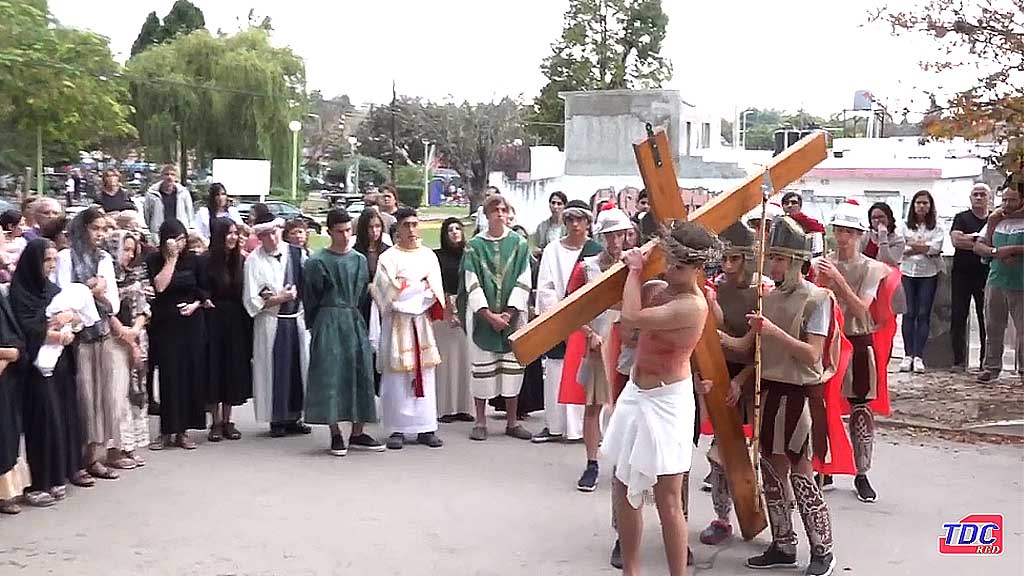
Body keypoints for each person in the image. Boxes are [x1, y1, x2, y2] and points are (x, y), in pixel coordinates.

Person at [721, 216, 840, 576]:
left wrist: (771, 331)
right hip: (770, 391)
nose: (771, 264)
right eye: (770, 257)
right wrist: (712, 330)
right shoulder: (767, 299)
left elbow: (812, 355)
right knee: (772, 472)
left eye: (778, 257)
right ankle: (783, 544)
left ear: (793, 260)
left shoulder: (818, 299)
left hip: (800, 395)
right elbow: (747, 349)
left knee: (802, 475)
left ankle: (822, 550)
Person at [600, 221, 720, 576]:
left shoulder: (693, 305)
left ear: (698, 270)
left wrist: (635, 270)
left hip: (668, 400)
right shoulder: (659, 288)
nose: (670, 269)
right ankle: (631, 571)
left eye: (680, 266)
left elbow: (632, 317)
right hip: (636, 392)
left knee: (668, 496)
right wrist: (637, 263)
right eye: (669, 261)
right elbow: (630, 306)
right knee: (622, 485)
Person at [813, 201, 889, 503]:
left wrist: (839, 281)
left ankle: (861, 472)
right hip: (828, 339)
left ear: (859, 234)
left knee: (860, 408)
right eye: (839, 230)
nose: (842, 237)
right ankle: (824, 465)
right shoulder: (822, 262)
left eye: (848, 231)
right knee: (820, 406)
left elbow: (861, 309)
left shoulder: (872, 268)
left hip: (858, 340)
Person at [697, 221, 760, 546]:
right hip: (722, 375)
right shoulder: (714, 289)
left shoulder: (761, 292)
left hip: (754, 379)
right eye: (725, 258)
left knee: (763, 456)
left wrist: (741, 379)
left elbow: (761, 349)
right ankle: (722, 518)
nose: (728, 265)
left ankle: (769, 517)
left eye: (735, 259)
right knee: (718, 455)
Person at [55, 208, 130, 478]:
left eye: (103, 229)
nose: (100, 234)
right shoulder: (66, 257)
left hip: (101, 332)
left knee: (103, 397)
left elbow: (113, 301)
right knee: (83, 398)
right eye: (94, 228)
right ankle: (77, 460)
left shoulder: (104, 259)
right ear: (83, 228)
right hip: (77, 338)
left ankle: (94, 457)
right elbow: (66, 296)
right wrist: (90, 291)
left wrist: (95, 293)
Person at [302, 208, 383, 456]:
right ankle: (335, 432)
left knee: (360, 372)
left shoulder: (358, 260)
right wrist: (317, 324)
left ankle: (358, 431)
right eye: (340, 231)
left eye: (349, 230)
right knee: (330, 374)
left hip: (352, 317)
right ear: (329, 232)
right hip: (328, 318)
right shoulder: (317, 262)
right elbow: (311, 297)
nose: (345, 236)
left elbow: (360, 294)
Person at [569, 206, 634, 492]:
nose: (615, 241)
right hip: (599, 339)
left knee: (629, 406)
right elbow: (569, 307)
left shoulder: (635, 265)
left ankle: (626, 463)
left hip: (629, 341)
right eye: (610, 235)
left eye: (620, 234)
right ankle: (592, 463)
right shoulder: (587, 267)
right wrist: (588, 333)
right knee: (594, 405)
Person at [458, 197, 533, 441]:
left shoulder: (519, 244)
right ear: (487, 215)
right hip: (483, 321)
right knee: (482, 370)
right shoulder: (474, 246)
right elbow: (471, 281)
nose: (499, 214)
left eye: (503, 210)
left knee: (511, 371)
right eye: (494, 210)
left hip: (512, 319)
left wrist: (510, 313)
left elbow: (524, 279)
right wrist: (488, 315)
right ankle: (480, 421)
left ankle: (512, 422)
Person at [370, 207, 445, 450]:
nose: (412, 230)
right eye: (406, 225)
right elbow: (386, 292)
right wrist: (415, 289)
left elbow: (434, 291)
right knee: (398, 376)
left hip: (421, 322)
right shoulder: (388, 258)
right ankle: (397, 428)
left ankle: (425, 427)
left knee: (425, 373)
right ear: (398, 230)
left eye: (415, 224)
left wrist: (409, 289)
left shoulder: (428, 256)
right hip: (397, 324)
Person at [533, 200, 602, 444]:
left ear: (587, 223)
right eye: (570, 220)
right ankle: (554, 426)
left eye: (580, 220)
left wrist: (580, 319)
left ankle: (582, 430)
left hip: (587, 322)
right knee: (555, 372)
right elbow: (545, 288)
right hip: (558, 319)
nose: (575, 225)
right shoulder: (552, 249)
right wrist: (560, 318)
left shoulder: (595, 250)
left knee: (582, 374)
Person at [243, 213, 310, 437]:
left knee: (297, 368)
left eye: (274, 232)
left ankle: (295, 415)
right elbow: (253, 297)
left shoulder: (297, 254)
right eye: (266, 235)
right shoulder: (254, 260)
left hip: (295, 319)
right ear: (260, 238)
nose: (272, 238)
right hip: (271, 321)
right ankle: (276, 417)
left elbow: (307, 282)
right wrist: (279, 299)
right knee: (274, 370)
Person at [146, 219, 208, 450]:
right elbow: (159, 286)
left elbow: (203, 289)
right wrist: (170, 259)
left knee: (188, 376)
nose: (180, 244)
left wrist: (195, 304)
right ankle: (166, 430)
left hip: (191, 322)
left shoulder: (194, 260)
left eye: (183, 239)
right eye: (176, 239)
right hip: (166, 324)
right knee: (169, 376)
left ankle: (183, 431)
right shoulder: (154, 260)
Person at [202, 218, 253, 442]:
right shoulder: (205, 261)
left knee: (232, 369)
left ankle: (228, 419)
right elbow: (200, 287)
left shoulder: (241, 261)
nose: (233, 237)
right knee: (213, 369)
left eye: (235, 233)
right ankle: (215, 421)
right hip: (213, 319)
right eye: (229, 233)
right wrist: (204, 298)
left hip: (236, 320)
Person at [106, 230, 151, 465]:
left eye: (132, 249)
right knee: (118, 396)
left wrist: (136, 329)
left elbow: (144, 308)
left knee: (136, 393)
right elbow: (107, 312)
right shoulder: (106, 278)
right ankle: (116, 449)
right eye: (125, 249)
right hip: (116, 341)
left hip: (137, 336)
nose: (129, 254)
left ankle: (131, 446)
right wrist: (127, 335)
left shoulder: (134, 276)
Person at [974, 182, 1024, 382]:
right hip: (996, 280)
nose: (1007, 204)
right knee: (993, 326)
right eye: (1004, 199)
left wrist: (1013, 250)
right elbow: (979, 245)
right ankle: (991, 367)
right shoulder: (995, 220)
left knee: (1022, 330)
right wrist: (996, 252)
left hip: (1020, 282)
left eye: (1012, 200)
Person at [899, 190, 944, 373]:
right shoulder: (903, 225)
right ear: (913, 205)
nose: (922, 206)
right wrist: (923, 247)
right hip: (908, 272)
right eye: (918, 203)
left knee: (923, 314)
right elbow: (902, 248)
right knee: (908, 313)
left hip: (929, 273)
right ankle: (907, 355)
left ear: (930, 206)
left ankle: (919, 356)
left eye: (925, 203)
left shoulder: (937, 227)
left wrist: (914, 247)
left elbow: (936, 248)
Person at [434, 217, 474, 424]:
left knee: (464, 359)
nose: (455, 232)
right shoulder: (437, 256)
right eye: (450, 229)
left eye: (458, 228)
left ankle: (463, 407)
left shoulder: (469, 255)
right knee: (446, 360)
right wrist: (448, 308)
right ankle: (445, 408)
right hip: (444, 310)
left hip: (467, 308)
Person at [949, 184, 991, 372]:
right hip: (961, 274)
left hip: (985, 274)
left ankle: (985, 361)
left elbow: (993, 242)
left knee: (986, 319)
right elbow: (956, 241)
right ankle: (959, 361)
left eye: (983, 194)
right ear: (970, 197)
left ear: (989, 198)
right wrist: (980, 241)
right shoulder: (962, 218)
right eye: (975, 194)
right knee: (959, 316)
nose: (979, 197)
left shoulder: (993, 219)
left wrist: (971, 239)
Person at [0, 259, 26, 514]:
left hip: (5, 377)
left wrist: (10, 353)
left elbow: (15, 338)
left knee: (5, 433)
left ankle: (6, 494)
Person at [144, 164, 195, 233]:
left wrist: (190, 229)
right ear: (161, 176)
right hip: (160, 231)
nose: (169, 177)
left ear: (176, 177)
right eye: (166, 174)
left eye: (172, 174)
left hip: (179, 231)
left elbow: (189, 211)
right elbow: (147, 213)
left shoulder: (183, 193)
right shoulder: (152, 194)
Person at [781, 192, 825, 257]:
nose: (790, 205)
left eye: (794, 203)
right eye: (786, 203)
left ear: (800, 206)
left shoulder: (811, 224)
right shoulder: (778, 222)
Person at [862, 202, 905, 267]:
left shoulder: (898, 240)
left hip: (887, 274)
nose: (877, 220)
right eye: (873, 218)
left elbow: (887, 263)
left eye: (881, 217)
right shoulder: (865, 235)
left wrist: (883, 237)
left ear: (889, 218)